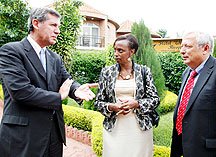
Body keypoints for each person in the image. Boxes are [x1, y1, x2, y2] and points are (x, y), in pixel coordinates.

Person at [0, 8, 98, 156]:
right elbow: (21, 92)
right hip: (23, 138)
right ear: (36, 23)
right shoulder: (12, 51)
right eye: (53, 25)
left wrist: (76, 89)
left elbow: (66, 80)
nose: (57, 31)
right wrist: (59, 97)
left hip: (53, 137)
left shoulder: (55, 58)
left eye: (58, 27)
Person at [94, 34, 160, 157]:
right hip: (114, 128)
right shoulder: (106, 72)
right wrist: (112, 107)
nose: (116, 54)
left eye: (120, 50)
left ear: (131, 52)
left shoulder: (144, 72)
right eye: (114, 50)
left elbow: (155, 100)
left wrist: (136, 103)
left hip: (140, 128)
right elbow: (98, 102)